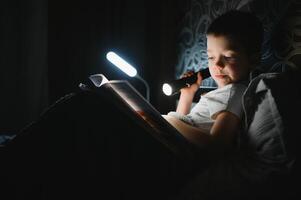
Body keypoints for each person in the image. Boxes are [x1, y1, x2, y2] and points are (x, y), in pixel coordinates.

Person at [163, 10, 264, 158]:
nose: (216, 64)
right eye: (210, 57)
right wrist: (187, 95)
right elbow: (188, 122)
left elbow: (216, 145)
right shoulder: (224, 94)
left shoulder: (234, 93)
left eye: (228, 57)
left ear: (253, 60)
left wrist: (169, 121)